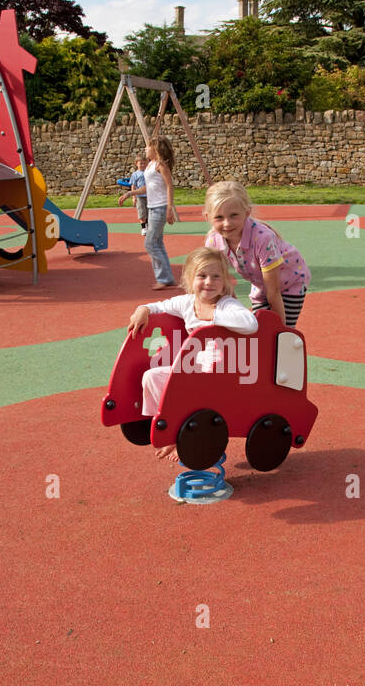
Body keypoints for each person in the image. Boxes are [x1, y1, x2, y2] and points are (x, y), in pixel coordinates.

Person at [128, 247, 259, 459]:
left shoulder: (226, 305)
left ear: (224, 280)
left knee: (186, 388)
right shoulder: (187, 303)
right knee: (151, 377)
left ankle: (184, 435)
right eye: (202, 276)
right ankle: (166, 427)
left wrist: (213, 315)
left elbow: (250, 323)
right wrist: (142, 309)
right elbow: (159, 306)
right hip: (193, 368)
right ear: (190, 279)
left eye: (216, 276)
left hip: (222, 374)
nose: (209, 282)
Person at [202, 181, 310, 327]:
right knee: (256, 329)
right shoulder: (213, 242)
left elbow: (274, 292)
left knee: (277, 333)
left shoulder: (263, 239)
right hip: (260, 284)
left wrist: (281, 332)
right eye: (219, 217)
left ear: (246, 213)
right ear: (208, 217)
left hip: (289, 283)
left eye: (233, 215)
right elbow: (222, 285)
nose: (227, 223)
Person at [127, 137, 178, 289]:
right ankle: (167, 278)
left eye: (147, 147)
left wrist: (169, 209)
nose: (144, 149)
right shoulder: (150, 165)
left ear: (155, 149)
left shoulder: (161, 165)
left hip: (160, 207)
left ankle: (163, 278)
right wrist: (131, 193)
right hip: (152, 207)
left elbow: (169, 186)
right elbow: (148, 188)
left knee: (150, 243)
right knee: (157, 243)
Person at [116, 154, 149, 235]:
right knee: (142, 212)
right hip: (139, 196)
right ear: (136, 164)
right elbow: (133, 186)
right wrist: (134, 197)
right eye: (140, 163)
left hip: (149, 195)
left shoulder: (149, 172)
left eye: (144, 163)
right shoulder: (135, 174)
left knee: (148, 212)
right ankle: (143, 227)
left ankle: (148, 225)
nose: (142, 165)